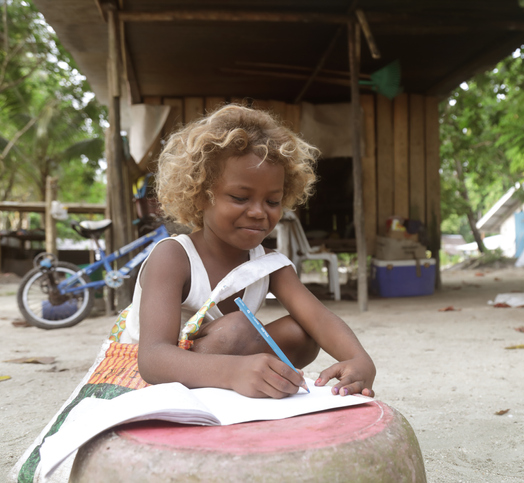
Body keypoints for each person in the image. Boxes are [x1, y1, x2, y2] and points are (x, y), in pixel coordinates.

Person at [119, 104, 375, 399]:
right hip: (152, 376)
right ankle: (237, 380)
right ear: (201, 195)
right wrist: (234, 372)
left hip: (219, 364)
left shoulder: (269, 265)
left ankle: (242, 383)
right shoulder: (174, 257)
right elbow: (152, 359)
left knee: (302, 333)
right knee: (237, 330)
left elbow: (319, 319)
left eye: (273, 201)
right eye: (240, 197)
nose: (258, 212)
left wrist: (359, 359)